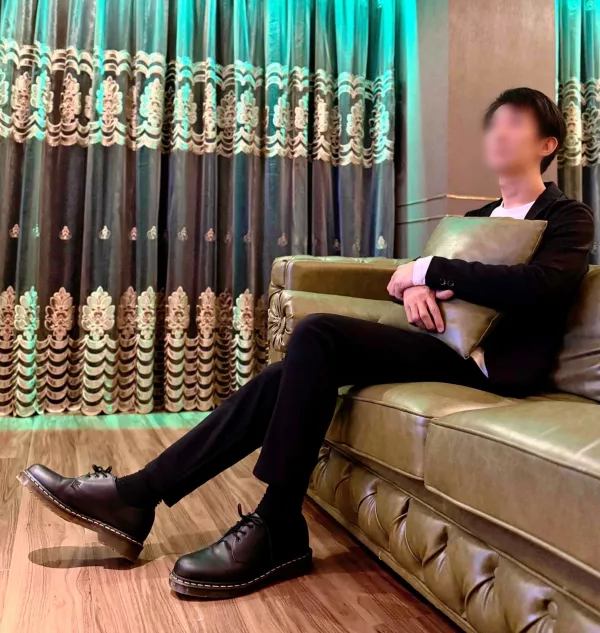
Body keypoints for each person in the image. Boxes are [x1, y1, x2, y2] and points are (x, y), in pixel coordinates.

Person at [19, 88, 594, 599]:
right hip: (442, 347)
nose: (499, 132)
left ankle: (272, 519)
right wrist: (414, 285)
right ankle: (138, 496)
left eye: (515, 123)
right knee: (295, 363)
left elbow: (543, 287)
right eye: (494, 123)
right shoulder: (477, 219)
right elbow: (413, 282)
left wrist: (431, 269)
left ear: (547, 145)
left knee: (317, 333)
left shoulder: (567, 217)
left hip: (495, 370)